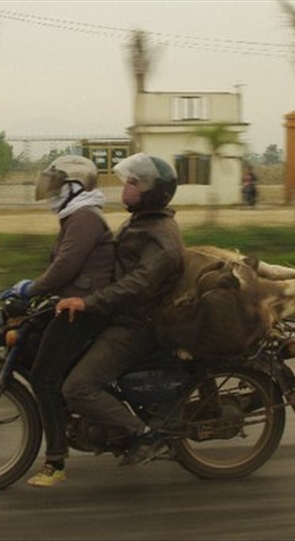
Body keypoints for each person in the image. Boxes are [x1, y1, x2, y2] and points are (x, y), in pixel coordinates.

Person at [56, 152, 185, 467]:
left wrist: (87, 302)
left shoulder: (162, 239)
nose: (125, 187)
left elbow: (136, 285)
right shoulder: (142, 221)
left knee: (77, 387)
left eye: (133, 182)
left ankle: (144, 435)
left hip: (135, 326)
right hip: (119, 316)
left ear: (152, 192)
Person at [0, 155, 115, 488]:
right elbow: (63, 269)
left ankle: (56, 462)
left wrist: (31, 288)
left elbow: (65, 267)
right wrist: (35, 290)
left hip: (85, 310)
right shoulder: (76, 217)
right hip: (72, 303)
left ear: (74, 187)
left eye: (55, 186)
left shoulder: (84, 219)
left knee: (43, 376)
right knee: (39, 348)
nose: (50, 192)